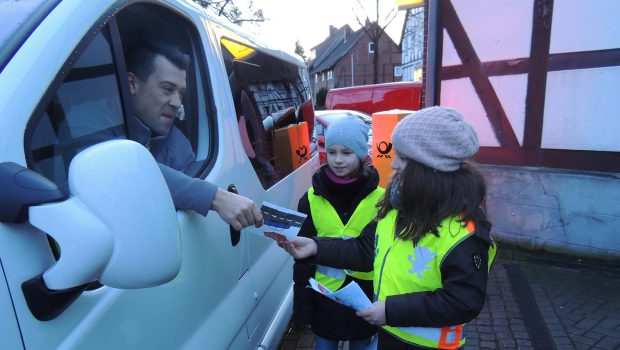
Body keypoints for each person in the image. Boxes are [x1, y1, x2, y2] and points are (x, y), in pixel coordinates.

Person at [280, 106, 498, 350]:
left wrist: (390, 310)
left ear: (429, 166)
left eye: (403, 157)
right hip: (389, 337)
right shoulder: (397, 208)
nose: (393, 164)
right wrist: (315, 247)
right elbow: (365, 250)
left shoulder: (463, 232)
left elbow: (463, 301)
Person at [125, 40, 262, 230]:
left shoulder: (179, 145)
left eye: (181, 93)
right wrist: (214, 197)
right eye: (167, 89)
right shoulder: (90, 123)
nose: (177, 103)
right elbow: (123, 166)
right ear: (132, 84)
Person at [293, 116, 384, 350]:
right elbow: (301, 259)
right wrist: (303, 306)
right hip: (325, 300)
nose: (338, 160)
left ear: (361, 154)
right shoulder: (311, 198)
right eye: (332, 152)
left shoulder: (382, 199)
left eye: (347, 153)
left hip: (366, 297)